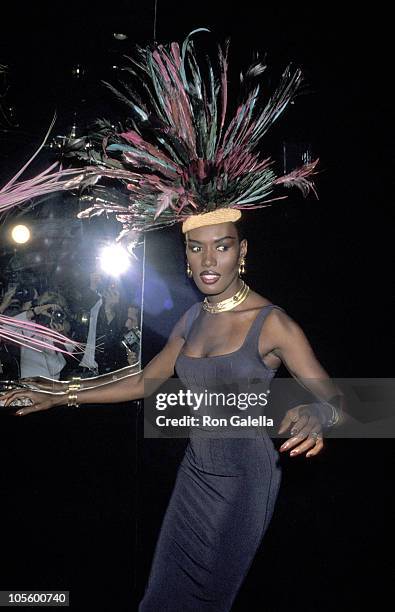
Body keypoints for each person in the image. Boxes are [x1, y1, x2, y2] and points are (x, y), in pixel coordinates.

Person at [0, 31, 344, 611]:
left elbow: (333, 395)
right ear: (185, 255)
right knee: (159, 599)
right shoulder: (190, 318)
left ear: (243, 252)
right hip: (196, 478)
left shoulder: (273, 323)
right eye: (196, 249)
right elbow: (144, 381)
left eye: (222, 247)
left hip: (245, 484)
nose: (208, 261)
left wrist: (314, 410)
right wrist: (59, 393)